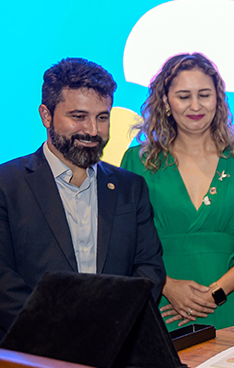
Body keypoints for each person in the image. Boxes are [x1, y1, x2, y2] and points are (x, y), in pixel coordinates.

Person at [0, 58, 165, 341]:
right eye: (78, 116)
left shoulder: (130, 187)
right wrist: (67, 333)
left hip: (114, 348)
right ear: (46, 116)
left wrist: (111, 328)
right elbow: (3, 282)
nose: (92, 130)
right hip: (31, 351)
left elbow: (149, 269)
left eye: (102, 117)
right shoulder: (7, 185)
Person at [121, 53, 234, 330]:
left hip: (230, 306)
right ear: (165, 102)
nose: (195, 106)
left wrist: (214, 295)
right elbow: (125, 244)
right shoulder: (137, 162)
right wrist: (167, 286)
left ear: (218, 99)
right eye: (184, 96)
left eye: (204, 95)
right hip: (162, 307)